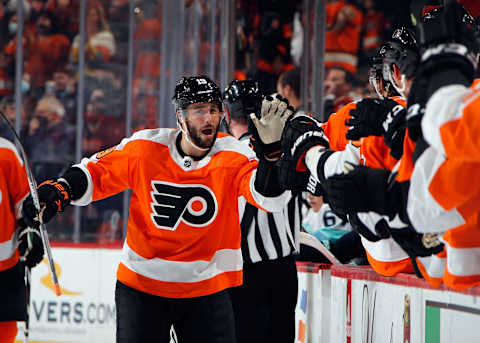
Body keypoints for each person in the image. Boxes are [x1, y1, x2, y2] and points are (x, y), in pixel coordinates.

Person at [21, 75, 292, 342]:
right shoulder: (146, 148)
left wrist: (271, 156)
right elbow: (95, 172)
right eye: (199, 110)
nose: (209, 118)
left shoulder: (234, 155)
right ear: (180, 117)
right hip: (142, 286)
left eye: (213, 109)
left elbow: (269, 198)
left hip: (207, 287)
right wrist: (59, 191)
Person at [223, 79, 301, 343]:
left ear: (226, 114)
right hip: (285, 272)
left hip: (245, 275)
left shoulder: (229, 156)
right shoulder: (287, 150)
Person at [0, 137, 44, 343]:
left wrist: (30, 230)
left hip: (4, 265)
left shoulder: (5, 152)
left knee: (5, 332)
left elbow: (24, 203)